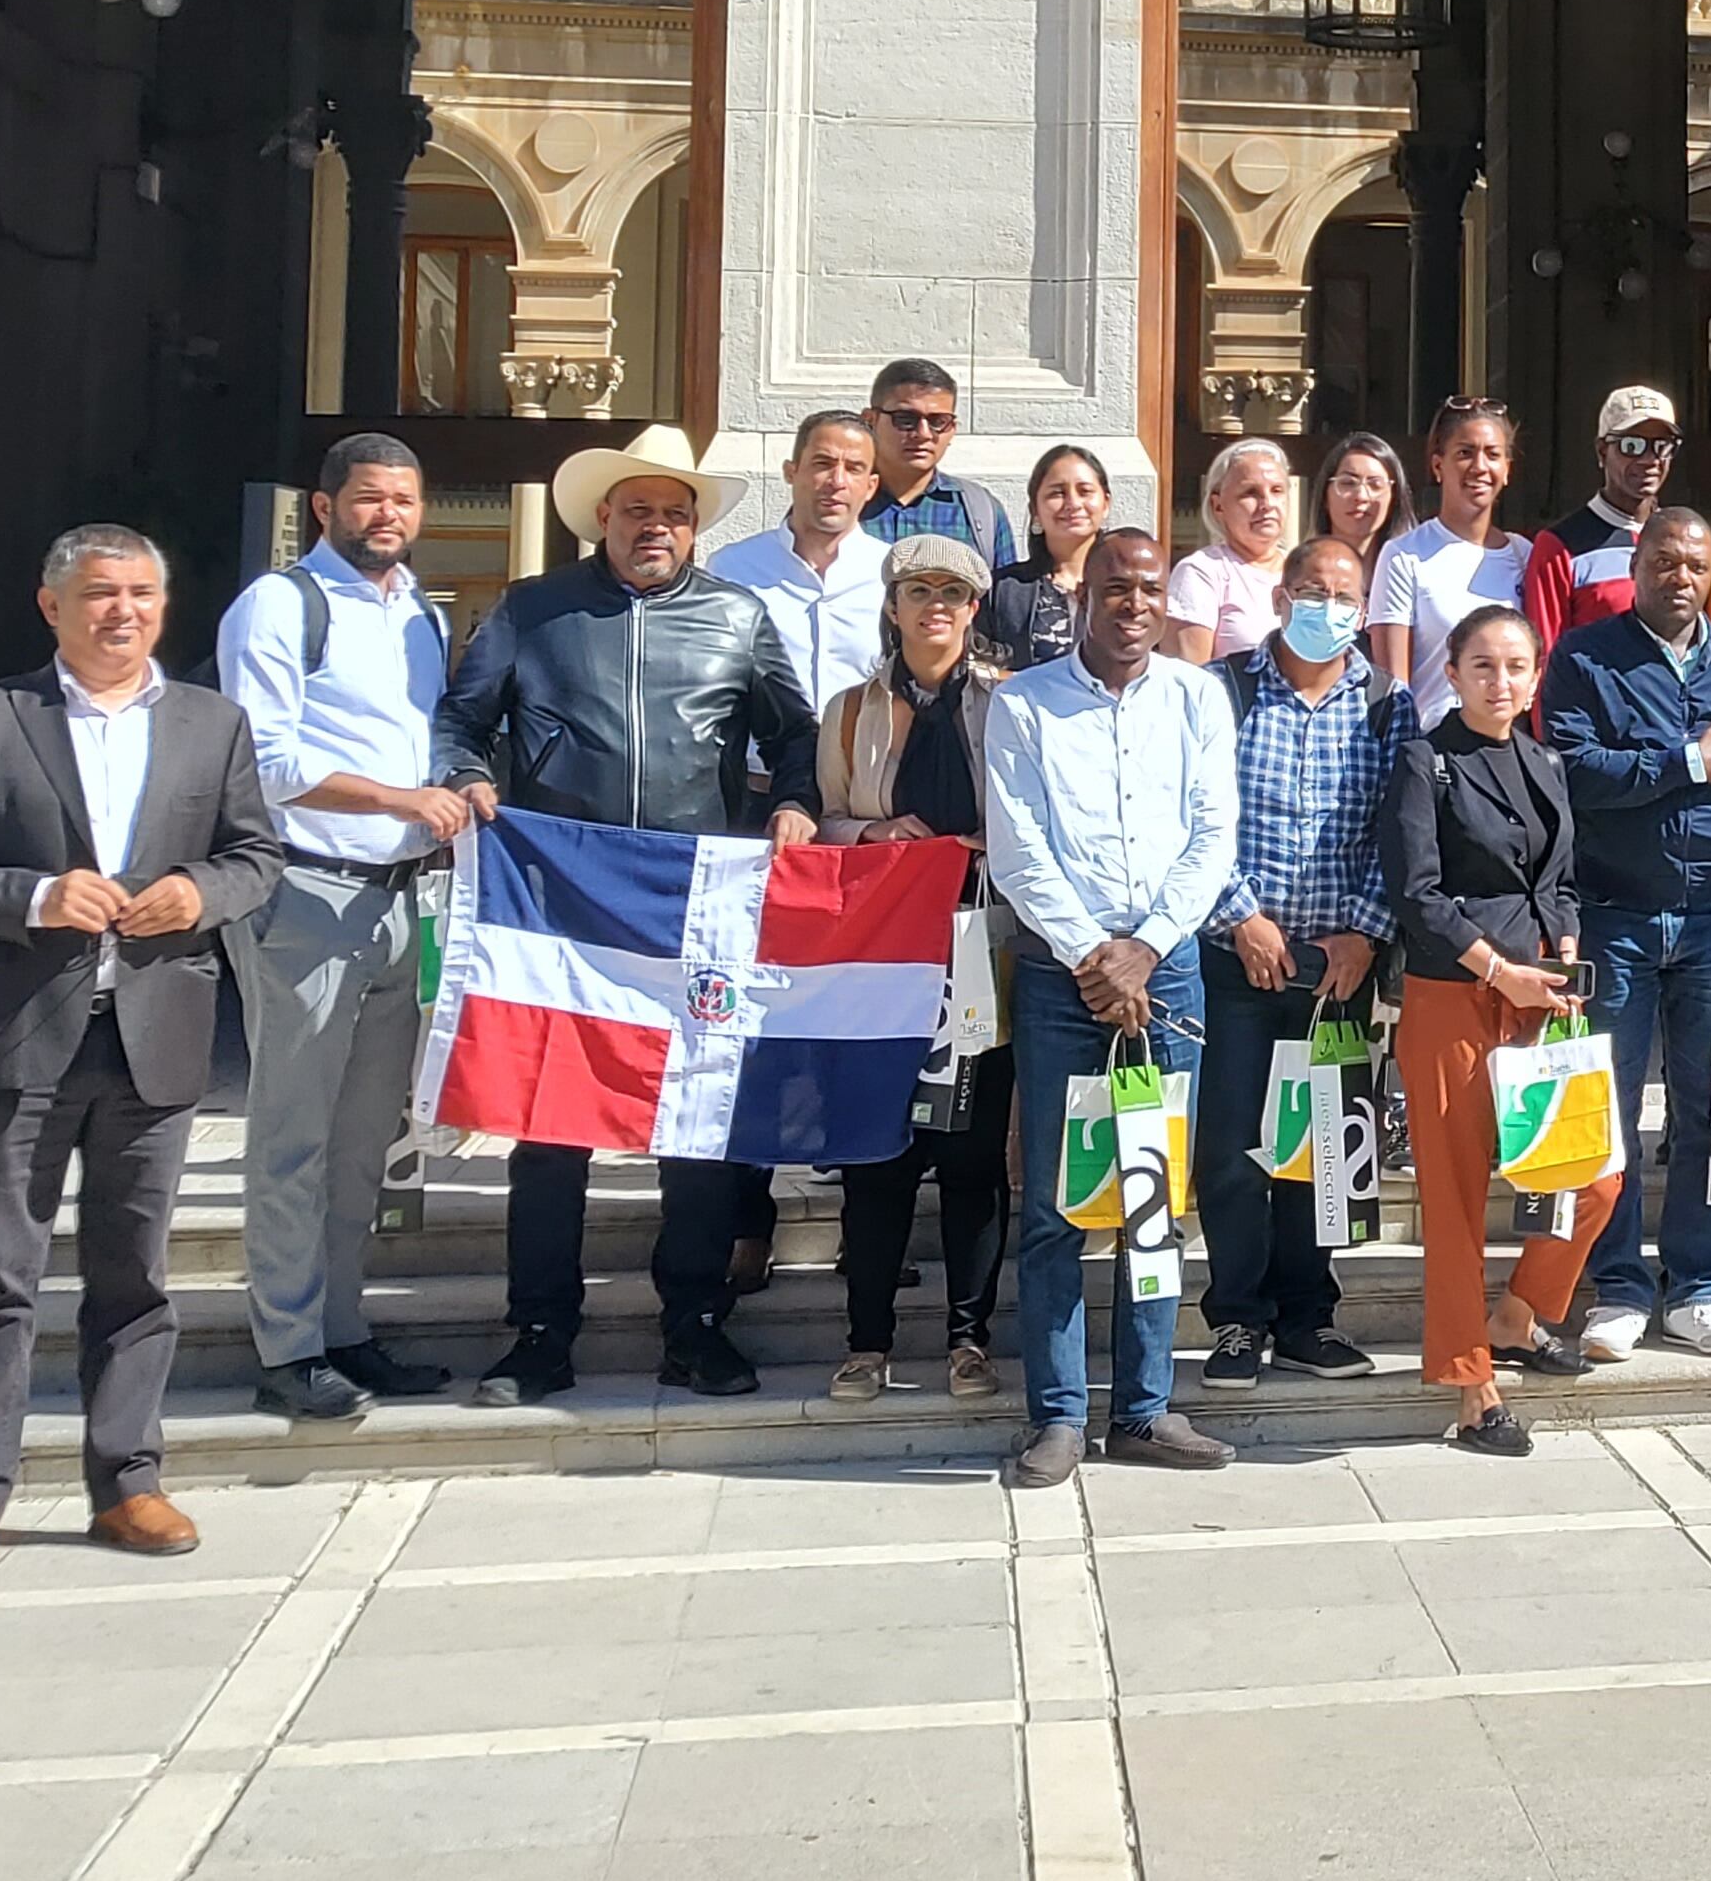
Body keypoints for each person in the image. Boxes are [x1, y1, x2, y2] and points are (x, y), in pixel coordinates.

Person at [0, 527, 281, 1586]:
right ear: (51, 606)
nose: (124, 612)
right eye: (101, 594)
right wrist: (31, 897)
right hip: (15, 1038)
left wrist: (202, 893)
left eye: (144, 593)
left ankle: (128, 1482)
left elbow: (255, 856)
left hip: (155, 1034)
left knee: (135, 1276)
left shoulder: (211, 723)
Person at [435, 425, 817, 1404]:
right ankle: (540, 1333)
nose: (658, 526)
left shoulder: (739, 617)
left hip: (693, 904)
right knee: (550, 1127)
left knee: (694, 1127)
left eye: (676, 513)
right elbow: (461, 721)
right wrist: (469, 778)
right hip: (558, 900)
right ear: (601, 517)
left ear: (694, 529)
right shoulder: (531, 612)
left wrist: (794, 802)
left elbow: (796, 731)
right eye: (639, 509)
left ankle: (693, 1323)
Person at [212, 430, 464, 1421]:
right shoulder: (279, 605)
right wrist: (403, 800)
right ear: (324, 508)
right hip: (305, 893)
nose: (387, 517)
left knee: (365, 1138)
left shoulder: (423, 617)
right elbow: (261, 763)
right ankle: (285, 1345)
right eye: (367, 500)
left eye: (403, 501)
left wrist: (448, 798)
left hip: (403, 895)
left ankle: (344, 1331)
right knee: (291, 1133)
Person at [978, 531, 1239, 1483]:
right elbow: (1017, 847)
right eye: (1115, 588)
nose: (1134, 604)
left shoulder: (1198, 698)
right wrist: (1094, 954)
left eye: (1149, 588)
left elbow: (1212, 839)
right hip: (1063, 979)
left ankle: (1145, 1408)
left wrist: (1147, 947)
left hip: (1163, 973)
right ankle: (1057, 1414)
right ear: (1083, 595)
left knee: (1151, 1200)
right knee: (1056, 1204)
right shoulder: (1024, 704)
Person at [1536, 505, 1711, 1358]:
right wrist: (1687, 763)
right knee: (1610, 1109)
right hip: (1616, 917)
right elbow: (1571, 774)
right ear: (1635, 567)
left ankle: (1700, 1285)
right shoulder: (1584, 660)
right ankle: (1617, 1286)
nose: (1681, 577)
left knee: (1707, 1109)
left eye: (1696, 565)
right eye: (1666, 562)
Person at [1385, 605, 1616, 1455]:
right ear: (1453, 673)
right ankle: (1471, 1383)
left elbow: (1559, 879)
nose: (1501, 682)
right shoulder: (1425, 761)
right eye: (1483, 666)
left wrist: (1563, 950)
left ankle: (1518, 1313)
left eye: (1517, 667)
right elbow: (1418, 892)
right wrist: (1497, 968)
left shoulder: (1544, 760)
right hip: (1454, 998)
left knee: (1591, 1180)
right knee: (1454, 1204)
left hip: (1539, 1001)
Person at [1196, 534, 1413, 1381]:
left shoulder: (1388, 702)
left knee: (1323, 1148)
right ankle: (1238, 1318)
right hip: (1236, 961)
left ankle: (1308, 1316)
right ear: (1281, 597)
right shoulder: (1224, 689)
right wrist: (1241, 916)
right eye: (1311, 591)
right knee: (1232, 1149)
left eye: (1345, 596)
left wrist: (1362, 934)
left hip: (1339, 974)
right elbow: (1198, 815)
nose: (1328, 608)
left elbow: (1400, 833)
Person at [815, 535, 1010, 1406]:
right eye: (919, 590)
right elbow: (824, 824)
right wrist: (873, 836)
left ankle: (969, 1338)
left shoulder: (1013, 705)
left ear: (975, 611)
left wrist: (983, 848)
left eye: (955, 594)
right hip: (884, 957)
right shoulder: (849, 712)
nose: (937, 605)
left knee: (973, 1154)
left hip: (979, 951)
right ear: (892, 607)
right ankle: (867, 1343)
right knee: (878, 1154)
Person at [709, 411, 892, 713]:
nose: (837, 481)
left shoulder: (894, 573)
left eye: (854, 468)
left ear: (871, 486)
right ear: (790, 472)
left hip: (864, 758)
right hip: (760, 760)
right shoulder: (732, 570)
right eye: (823, 464)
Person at [1368, 398, 1532, 729]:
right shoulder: (1404, 555)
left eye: (1493, 454)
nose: (1480, 466)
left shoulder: (1524, 554)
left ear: (1508, 469)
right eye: (1465, 453)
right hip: (1433, 750)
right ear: (1438, 466)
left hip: (1506, 752)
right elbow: (1393, 688)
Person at [1521, 384, 1679, 653]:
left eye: (1662, 446)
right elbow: (1547, 659)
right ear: (1602, 451)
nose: (1650, 459)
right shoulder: (1560, 547)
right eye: (1632, 445)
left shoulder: (1682, 541)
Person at [858, 355, 1019, 571]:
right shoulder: (839, 501)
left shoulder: (979, 512)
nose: (923, 434)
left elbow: (1003, 601)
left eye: (938, 422)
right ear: (870, 421)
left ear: (952, 429)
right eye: (906, 419)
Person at [979, 443, 1115, 669]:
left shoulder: (1129, 585)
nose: (1073, 504)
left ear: (1106, 504)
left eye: (1085, 491)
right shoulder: (1003, 589)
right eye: (1057, 493)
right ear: (1035, 511)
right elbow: (980, 667)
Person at [1165, 437, 1294, 666]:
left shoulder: (1301, 569)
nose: (1267, 503)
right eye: (1250, 493)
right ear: (1218, 506)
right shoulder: (1201, 572)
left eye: (1277, 491)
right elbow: (1188, 679)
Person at [1314, 431, 1415, 569]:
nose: (1361, 496)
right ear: (1325, 495)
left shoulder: (1411, 571)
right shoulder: (1301, 573)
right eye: (1348, 483)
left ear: (1394, 497)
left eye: (1375, 485)